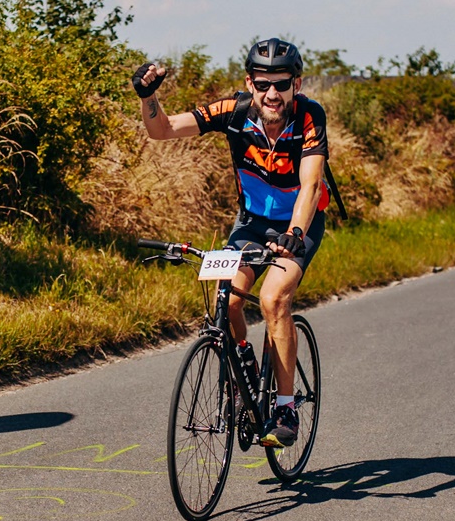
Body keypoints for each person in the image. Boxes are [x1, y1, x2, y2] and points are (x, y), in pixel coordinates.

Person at [132, 37, 328, 448]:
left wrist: (294, 235)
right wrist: (148, 96)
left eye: (281, 84)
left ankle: (286, 408)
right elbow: (162, 130)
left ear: (295, 84)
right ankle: (245, 371)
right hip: (252, 223)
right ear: (249, 83)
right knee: (230, 297)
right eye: (263, 84)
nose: (272, 93)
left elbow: (310, 186)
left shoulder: (309, 116)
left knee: (273, 299)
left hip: (299, 223)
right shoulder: (234, 112)